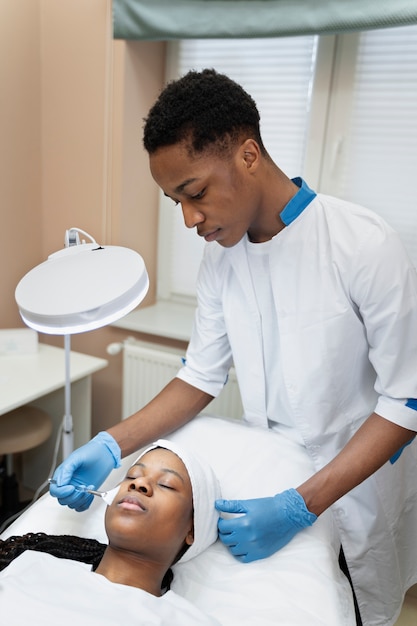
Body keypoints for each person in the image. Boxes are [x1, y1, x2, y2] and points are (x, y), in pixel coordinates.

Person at [50, 69, 417, 625]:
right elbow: (200, 375)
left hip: (357, 489)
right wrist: (110, 444)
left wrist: (300, 506)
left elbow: (405, 401)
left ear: (248, 155)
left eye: (195, 193)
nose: (190, 218)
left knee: (365, 606)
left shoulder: (363, 245)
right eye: (175, 200)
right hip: (272, 476)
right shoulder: (221, 257)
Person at [0, 440, 222, 625]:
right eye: (132, 476)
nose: (139, 483)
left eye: (166, 484)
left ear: (192, 528)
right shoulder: (32, 565)